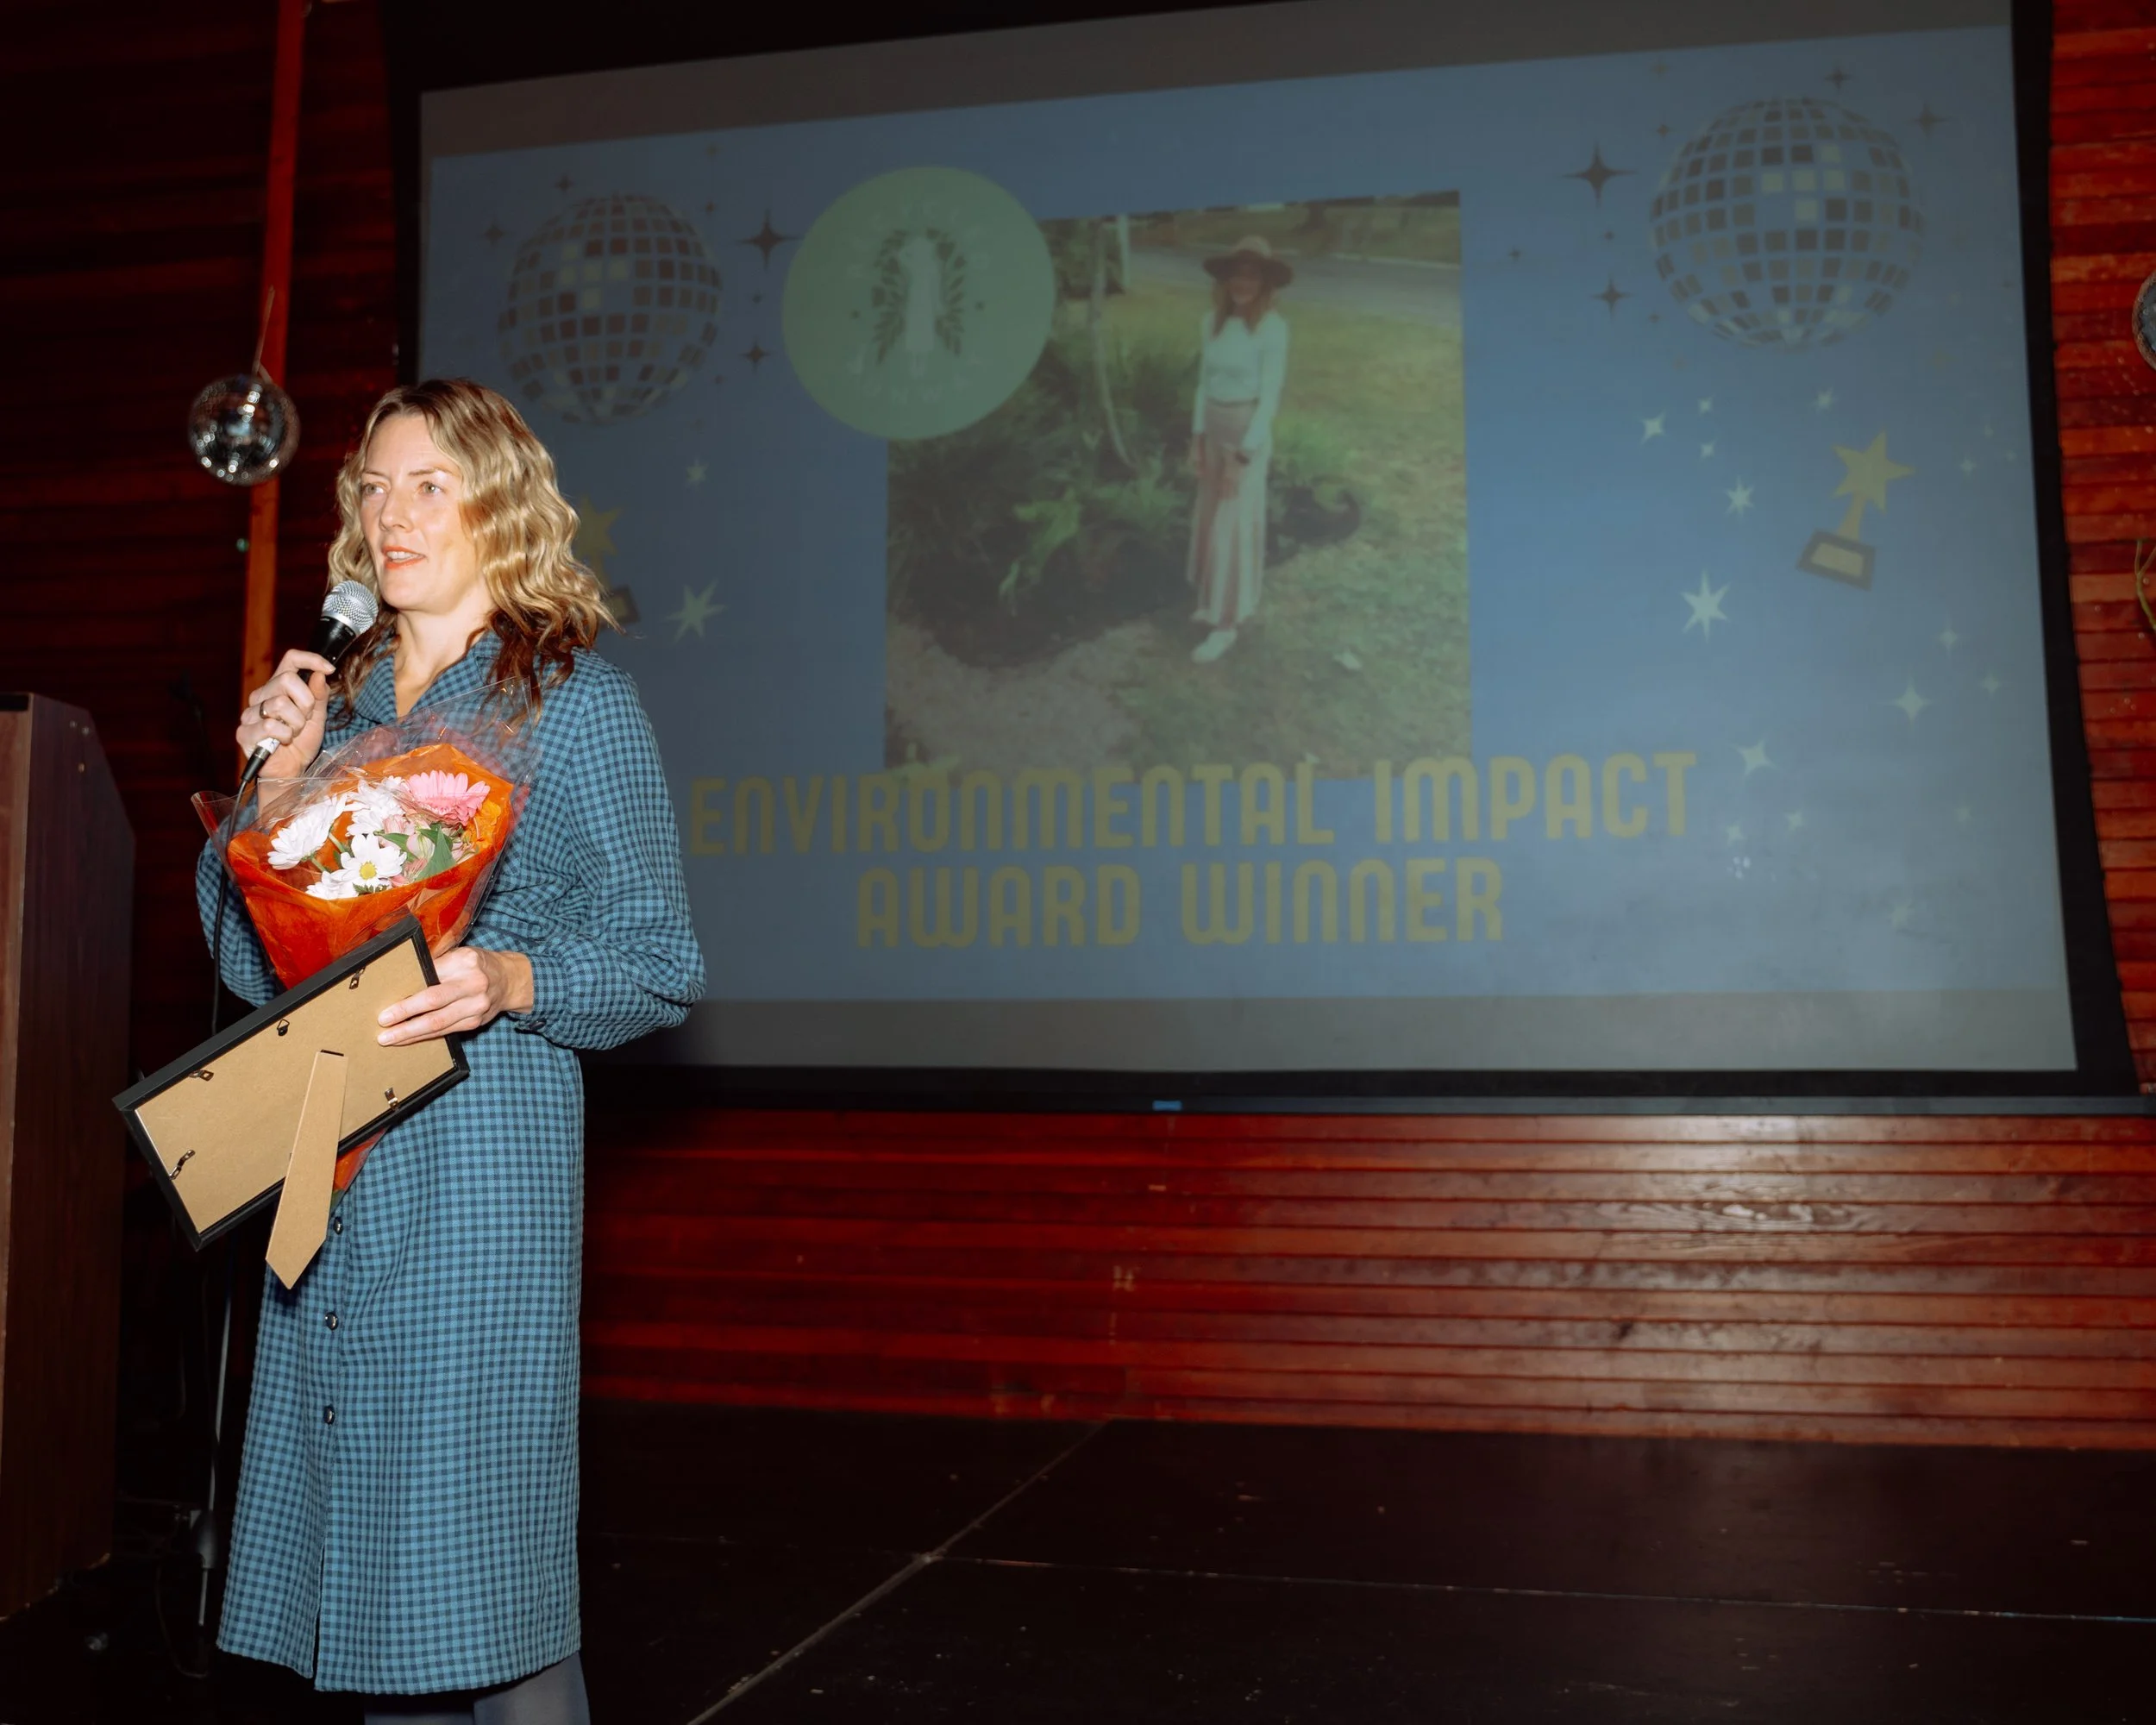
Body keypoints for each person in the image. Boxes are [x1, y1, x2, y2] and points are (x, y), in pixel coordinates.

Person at [197, 379, 705, 1723]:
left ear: (502, 507)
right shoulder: (340, 710)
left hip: (478, 1178)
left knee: (483, 1582)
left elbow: (661, 960)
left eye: (431, 485)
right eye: (375, 487)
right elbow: (248, 964)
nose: (394, 513)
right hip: (332, 1167)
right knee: (374, 1603)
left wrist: (512, 979)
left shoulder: (573, 707)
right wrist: (276, 782)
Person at [1186, 233, 1292, 664]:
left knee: (1233, 523)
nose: (1242, 284)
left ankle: (1226, 624)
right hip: (1213, 433)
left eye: (1252, 276)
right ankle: (1211, 601)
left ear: (1264, 283)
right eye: (1236, 275)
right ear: (1225, 279)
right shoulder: (1211, 322)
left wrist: (1242, 457)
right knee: (1212, 518)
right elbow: (1203, 385)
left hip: (1245, 436)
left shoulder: (1272, 328)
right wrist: (1197, 440)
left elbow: (1269, 399)